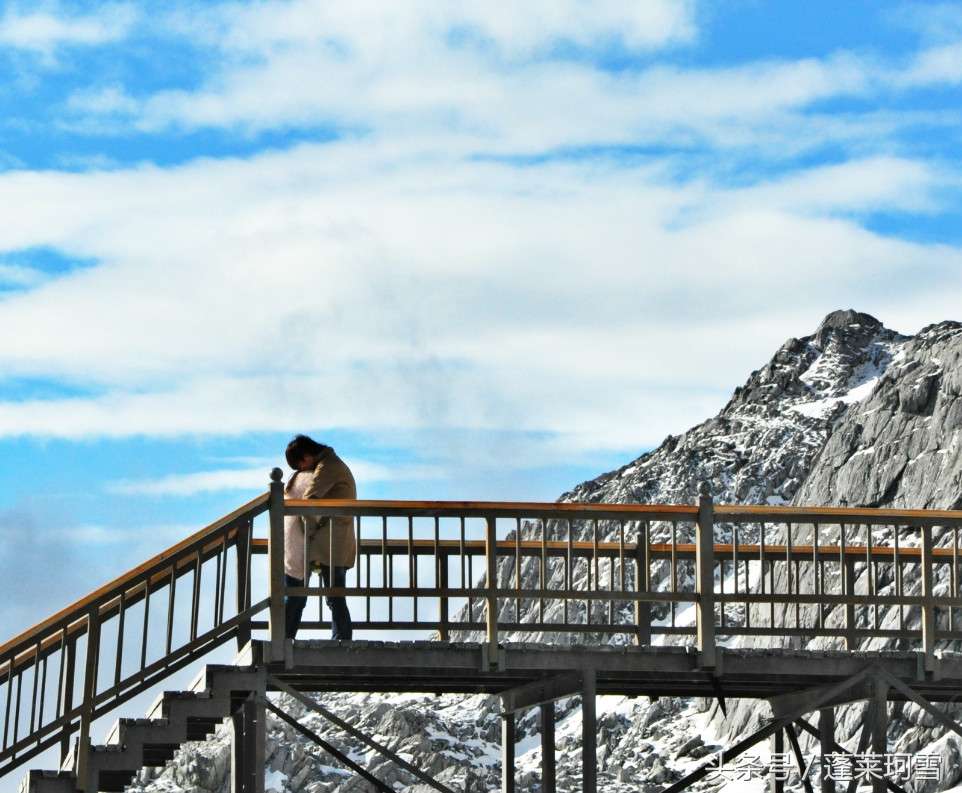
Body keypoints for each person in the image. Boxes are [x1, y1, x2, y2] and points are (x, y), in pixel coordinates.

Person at [283, 434, 358, 640]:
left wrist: (308, 528)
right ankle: (341, 640)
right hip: (332, 541)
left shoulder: (328, 466)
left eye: (300, 465)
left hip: (332, 541)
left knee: (334, 597)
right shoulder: (330, 462)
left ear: (306, 456)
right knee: (334, 596)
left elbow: (309, 499)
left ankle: (341, 640)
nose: (302, 470)